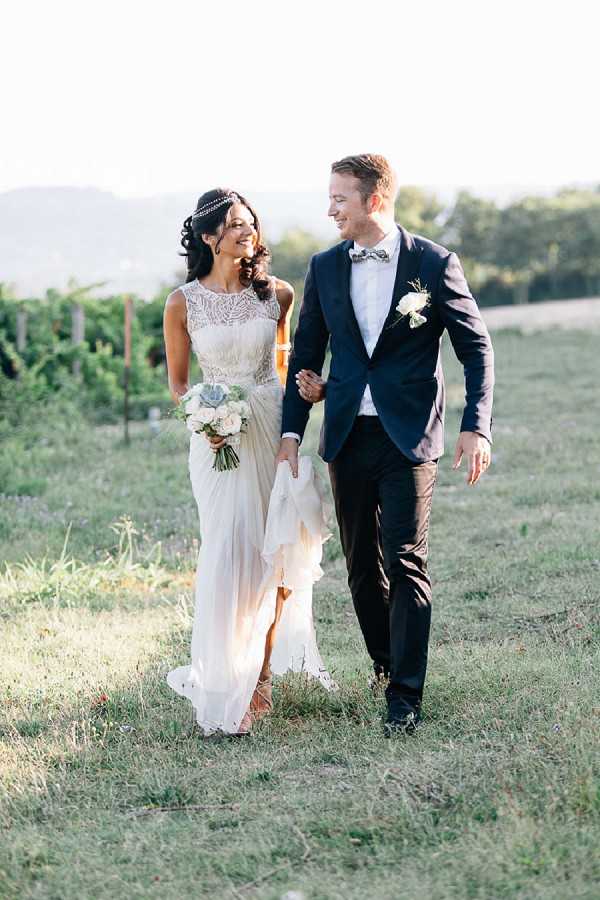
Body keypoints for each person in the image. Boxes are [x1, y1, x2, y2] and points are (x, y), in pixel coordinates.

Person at [278, 155, 495, 735]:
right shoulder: (323, 267)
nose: (329, 210)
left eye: (339, 199)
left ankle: (405, 698)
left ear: (374, 200)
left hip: (409, 436)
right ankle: (384, 665)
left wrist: (476, 425)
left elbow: (476, 348)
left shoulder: (432, 262)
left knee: (405, 561)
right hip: (347, 434)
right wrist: (293, 430)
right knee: (359, 568)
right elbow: (306, 354)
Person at [163, 189, 331, 736]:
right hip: (216, 440)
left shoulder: (277, 295)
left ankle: (260, 680)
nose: (246, 232)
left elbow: (284, 365)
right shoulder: (182, 302)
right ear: (209, 236)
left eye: (250, 223)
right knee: (228, 548)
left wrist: (302, 402)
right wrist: (204, 421)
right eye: (234, 225)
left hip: (270, 426)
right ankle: (222, 675)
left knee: (276, 546)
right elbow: (180, 384)